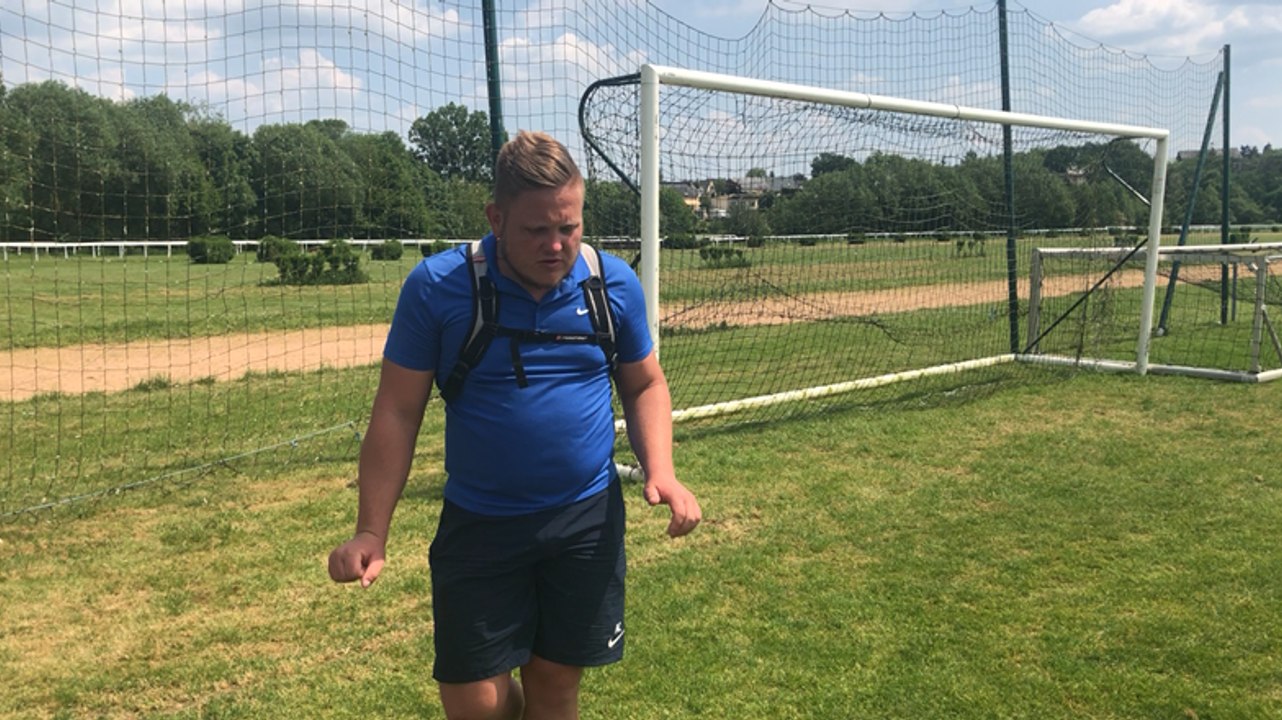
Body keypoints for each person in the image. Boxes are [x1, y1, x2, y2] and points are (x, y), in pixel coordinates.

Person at [328, 130, 701, 720]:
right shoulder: (439, 288)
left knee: (555, 686)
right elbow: (397, 411)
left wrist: (663, 470)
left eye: (569, 227)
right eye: (536, 230)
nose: (556, 245)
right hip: (481, 523)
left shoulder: (610, 284)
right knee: (477, 704)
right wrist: (371, 530)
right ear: (496, 218)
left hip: (585, 519)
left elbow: (644, 384)